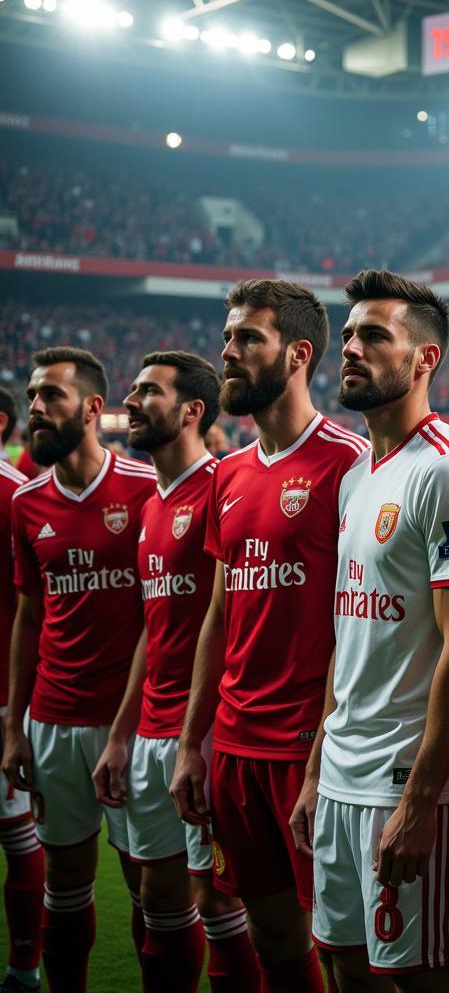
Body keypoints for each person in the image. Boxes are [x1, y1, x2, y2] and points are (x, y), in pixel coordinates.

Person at [288, 269, 449, 991]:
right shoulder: (358, 477)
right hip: (344, 776)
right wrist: (320, 767)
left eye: (373, 336)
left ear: (424, 360)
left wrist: (418, 804)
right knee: (344, 967)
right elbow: (351, 643)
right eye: (347, 335)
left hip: (413, 787)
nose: (349, 348)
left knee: (418, 982)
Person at [169, 280, 367, 993]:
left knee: (349, 952)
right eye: (227, 338)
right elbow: (219, 615)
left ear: (297, 354)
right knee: (272, 935)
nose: (227, 352)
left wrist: (320, 761)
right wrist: (196, 741)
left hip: (311, 752)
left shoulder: (350, 464)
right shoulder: (227, 475)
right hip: (236, 747)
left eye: (247, 338)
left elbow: (359, 623)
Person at [91, 351, 258, 992]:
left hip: (209, 731)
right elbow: (151, 632)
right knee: (155, 897)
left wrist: (204, 735)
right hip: (150, 731)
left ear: (192, 410)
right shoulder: (151, 505)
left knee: (219, 903)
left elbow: (236, 622)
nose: (130, 401)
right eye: (131, 389)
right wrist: (119, 732)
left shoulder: (221, 486)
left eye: (147, 391)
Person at [2, 346, 155, 992]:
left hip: (133, 723)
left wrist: (132, 727)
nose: (36, 407)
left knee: (148, 884)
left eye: (52, 397)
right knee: (65, 884)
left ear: (94, 408)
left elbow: (163, 615)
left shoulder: (146, 492)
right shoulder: (26, 502)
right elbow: (28, 617)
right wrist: (15, 725)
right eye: (33, 396)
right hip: (53, 719)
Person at [0, 387, 43, 993]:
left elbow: (33, 606)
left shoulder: (15, 494)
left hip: (6, 697)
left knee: (19, 833)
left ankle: (24, 968)